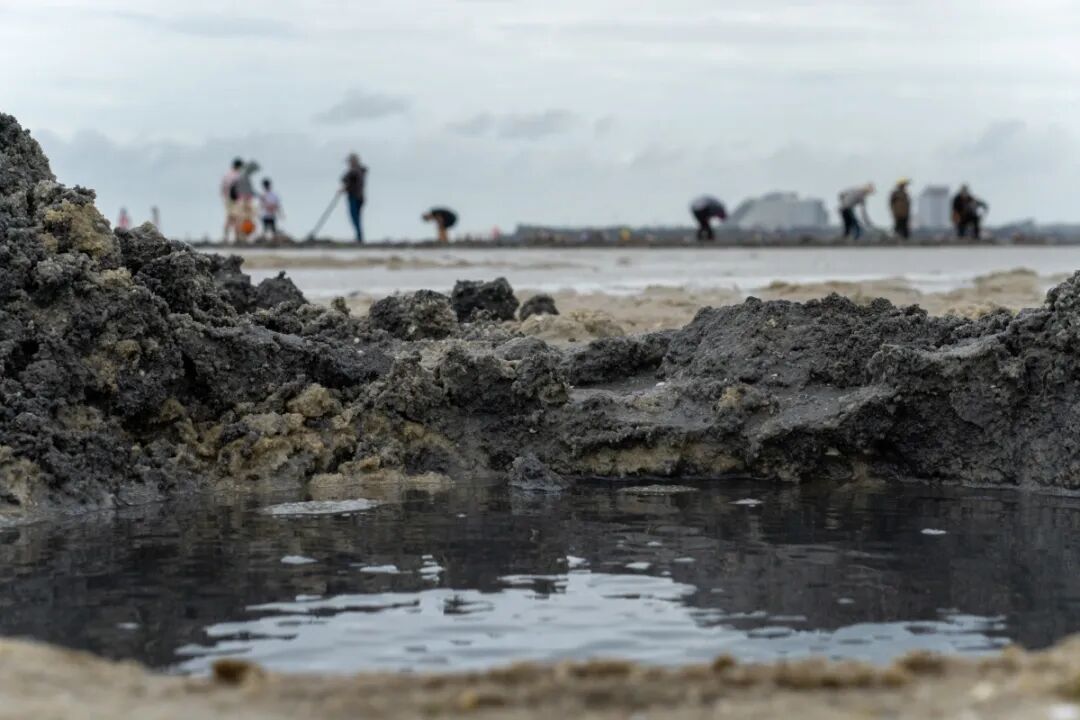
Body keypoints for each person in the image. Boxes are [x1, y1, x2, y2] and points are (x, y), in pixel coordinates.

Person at [342, 153, 367, 243]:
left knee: (355, 218)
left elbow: (348, 181)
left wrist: (345, 188)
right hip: (359, 197)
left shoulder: (354, 171)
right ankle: (359, 236)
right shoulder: (360, 171)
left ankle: (359, 237)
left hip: (354, 197)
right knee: (357, 218)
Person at [232, 161, 260, 244]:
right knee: (242, 219)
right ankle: (240, 238)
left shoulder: (243, 176)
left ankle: (242, 238)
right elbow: (247, 190)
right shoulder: (243, 177)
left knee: (244, 219)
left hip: (244, 200)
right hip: (244, 200)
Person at [220, 158, 243, 243]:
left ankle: (225, 237)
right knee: (237, 218)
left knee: (229, 218)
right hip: (236, 200)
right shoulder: (238, 175)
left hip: (228, 199)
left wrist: (225, 198)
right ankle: (237, 238)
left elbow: (222, 188)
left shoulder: (227, 175)